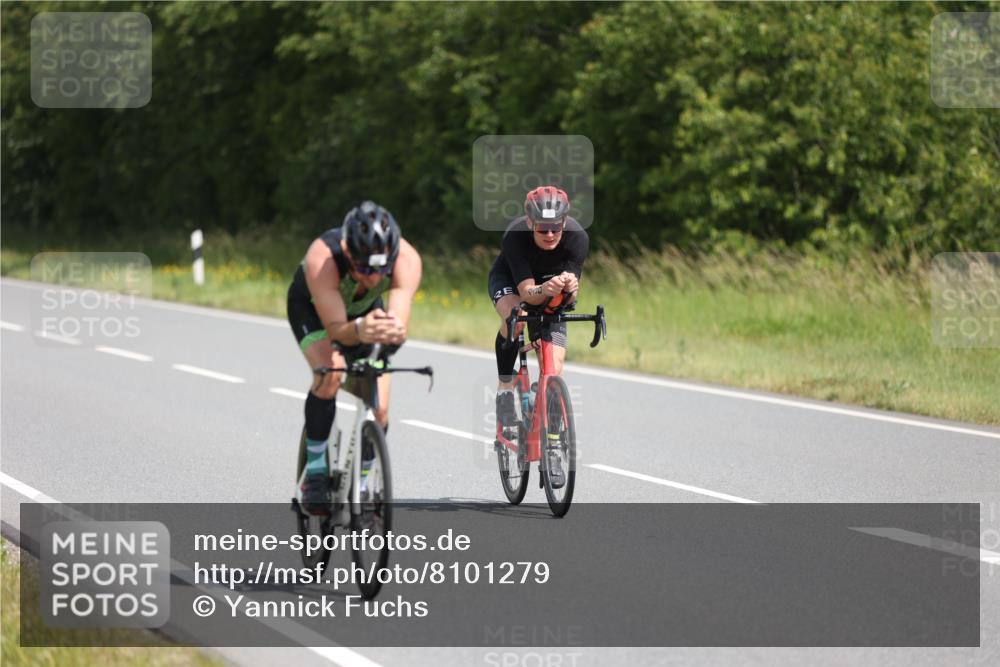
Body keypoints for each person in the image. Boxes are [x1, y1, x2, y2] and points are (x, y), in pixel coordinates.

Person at [287, 201, 422, 514]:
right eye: (363, 269)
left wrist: (391, 331)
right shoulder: (323, 258)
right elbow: (336, 331)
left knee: (381, 408)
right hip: (315, 311)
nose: (374, 278)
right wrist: (360, 329)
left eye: (381, 270)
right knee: (330, 372)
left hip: (364, 313)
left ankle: (362, 483)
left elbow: (398, 324)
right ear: (349, 253)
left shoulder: (407, 260)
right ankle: (317, 469)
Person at [487, 186, 589, 487]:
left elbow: (569, 298)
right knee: (516, 320)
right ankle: (506, 388)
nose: (549, 234)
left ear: (564, 222)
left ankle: (554, 444)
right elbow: (528, 294)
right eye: (542, 228)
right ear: (530, 222)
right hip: (514, 283)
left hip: (551, 288)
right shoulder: (514, 236)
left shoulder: (578, 238)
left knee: (554, 369)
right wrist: (546, 290)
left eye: (555, 227)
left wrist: (570, 287)